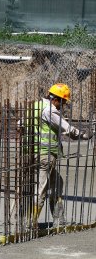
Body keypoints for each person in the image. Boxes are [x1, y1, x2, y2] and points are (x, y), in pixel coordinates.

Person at [28, 83, 92, 228]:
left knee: (57, 183)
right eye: (62, 103)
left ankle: (59, 220)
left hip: (36, 153)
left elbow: (22, 124)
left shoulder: (36, 107)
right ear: (56, 99)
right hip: (46, 154)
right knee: (42, 189)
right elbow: (65, 126)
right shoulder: (50, 110)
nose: (62, 106)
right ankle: (30, 223)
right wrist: (82, 134)